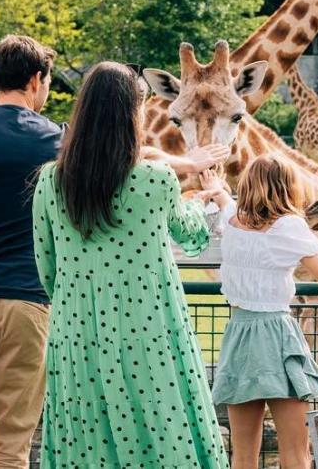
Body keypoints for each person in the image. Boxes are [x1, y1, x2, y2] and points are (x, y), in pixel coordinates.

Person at [0, 36, 225, 468]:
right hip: (53, 309)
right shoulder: (76, 151)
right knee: (13, 448)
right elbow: (159, 199)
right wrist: (199, 183)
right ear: (37, 79)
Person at [31, 61, 232, 468]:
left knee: (85, 435)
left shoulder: (51, 181)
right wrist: (208, 198)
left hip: (76, 329)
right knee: (161, 428)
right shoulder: (157, 179)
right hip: (149, 327)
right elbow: (192, 238)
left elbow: (46, 268)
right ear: (134, 113)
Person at [210, 154, 318, 469]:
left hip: (238, 335)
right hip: (277, 337)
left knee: (243, 455)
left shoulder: (232, 221)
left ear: (247, 186)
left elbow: (225, 202)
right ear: (288, 188)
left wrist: (215, 185)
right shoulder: (288, 227)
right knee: (296, 454)